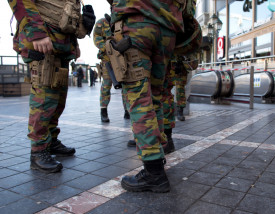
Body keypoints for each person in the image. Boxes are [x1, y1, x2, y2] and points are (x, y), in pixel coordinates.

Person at [106, 0, 186, 193]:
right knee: (156, 96)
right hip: (167, 28)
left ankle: (154, 172)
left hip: (138, 24)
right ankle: (158, 157)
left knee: (139, 99)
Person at [8, 0, 95, 173]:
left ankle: (51, 141)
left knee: (58, 100)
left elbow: (66, 11)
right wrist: (36, 32)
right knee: (45, 99)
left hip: (61, 44)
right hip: (42, 42)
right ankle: (39, 150)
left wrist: (75, 42)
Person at [93, 15, 130, 123]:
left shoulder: (123, 22)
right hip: (107, 59)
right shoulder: (102, 22)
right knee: (106, 85)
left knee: (125, 85)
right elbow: (96, 37)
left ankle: (127, 110)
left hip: (122, 59)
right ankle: (103, 111)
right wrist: (108, 47)